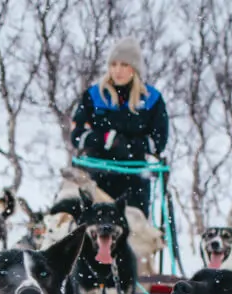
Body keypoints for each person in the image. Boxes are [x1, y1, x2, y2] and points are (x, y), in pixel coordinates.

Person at [69, 37, 169, 213]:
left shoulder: (151, 99)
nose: (117, 70)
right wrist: (100, 139)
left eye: (124, 65)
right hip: (96, 174)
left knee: (134, 230)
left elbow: (159, 140)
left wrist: (130, 145)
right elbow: (76, 133)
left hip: (134, 176)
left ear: (134, 68)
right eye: (113, 65)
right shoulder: (94, 96)